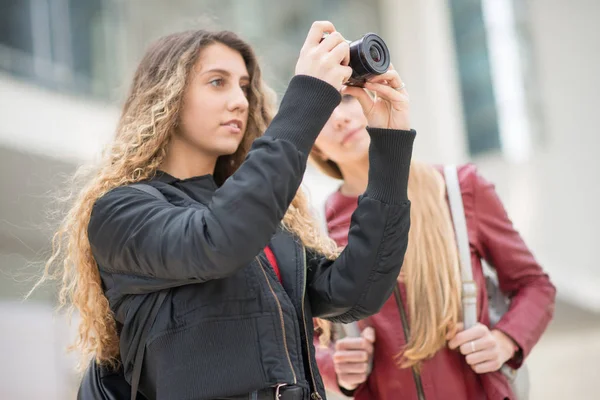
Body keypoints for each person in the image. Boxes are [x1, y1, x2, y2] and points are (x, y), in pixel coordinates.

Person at [31, 21, 416, 400]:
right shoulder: (120, 212)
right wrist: (310, 96)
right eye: (218, 82)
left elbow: (354, 292)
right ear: (167, 95)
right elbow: (217, 239)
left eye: (245, 87)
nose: (240, 100)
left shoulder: (263, 220)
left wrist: (390, 144)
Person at [310, 93, 556, 400]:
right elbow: (306, 335)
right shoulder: (317, 229)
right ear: (314, 144)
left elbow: (535, 286)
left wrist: (504, 341)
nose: (339, 118)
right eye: (322, 113)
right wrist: (335, 368)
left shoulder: (459, 188)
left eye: (347, 98)